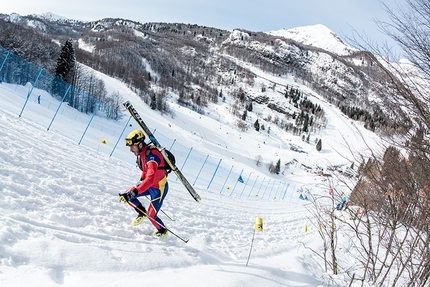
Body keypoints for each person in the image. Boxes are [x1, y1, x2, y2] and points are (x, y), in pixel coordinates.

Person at [118, 130, 169, 237]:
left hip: (159, 189)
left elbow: (150, 179)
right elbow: (145, 171)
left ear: (140, 144)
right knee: (126, 194)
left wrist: (135, 192)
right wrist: (139, 183)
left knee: (151, 215)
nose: (131, 150)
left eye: (132, 146)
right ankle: (141, 212)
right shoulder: (141, 154)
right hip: (148, 186)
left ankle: (163, 231)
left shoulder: (152, 156)